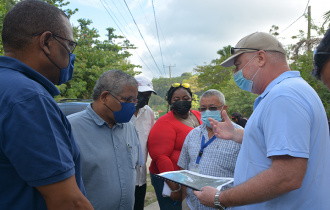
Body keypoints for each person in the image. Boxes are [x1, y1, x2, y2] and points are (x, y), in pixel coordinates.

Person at [194, 32, 330, 209]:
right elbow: (283, 143)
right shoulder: (292, 90)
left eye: (238, 65)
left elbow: (287, 176)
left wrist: (221, 198)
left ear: (260, 58)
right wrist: (237, 134)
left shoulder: (282, 97)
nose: (236, 73)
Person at [0, 1, 93, 209]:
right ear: (46, 42)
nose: (71, 55)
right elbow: (67, 202)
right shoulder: (28, 98)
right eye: (69, 46)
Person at [68, 70, 143, 210]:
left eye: (134, 100)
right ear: (104, 97)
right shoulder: (70, 129)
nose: (132, 105)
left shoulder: (130, 128)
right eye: (127, 100)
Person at [177, 89, 241, 210]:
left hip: (224, 206)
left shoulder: (239, 136)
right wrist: (185, 198)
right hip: (192, 204)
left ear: (224, 108)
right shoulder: (192, 135)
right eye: (203, 109)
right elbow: (183, 167)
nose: (207, 112)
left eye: (212, 108)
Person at [148, 83, 202, 210]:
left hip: (193, 177)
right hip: (170, 180)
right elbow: (161, 157)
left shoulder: (198, 115)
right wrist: (175, 187)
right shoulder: (164, 122)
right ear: (170, 101)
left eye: (186, 98)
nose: (182, 102)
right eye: (176, 99)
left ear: (191, 99)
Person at [130, 75, 157, 210]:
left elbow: (151, 140)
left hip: (141, 176)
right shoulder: (120, 112)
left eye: (148, 95)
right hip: (124, 175)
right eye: (141, 94)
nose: (144, 99)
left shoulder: (149, 112)